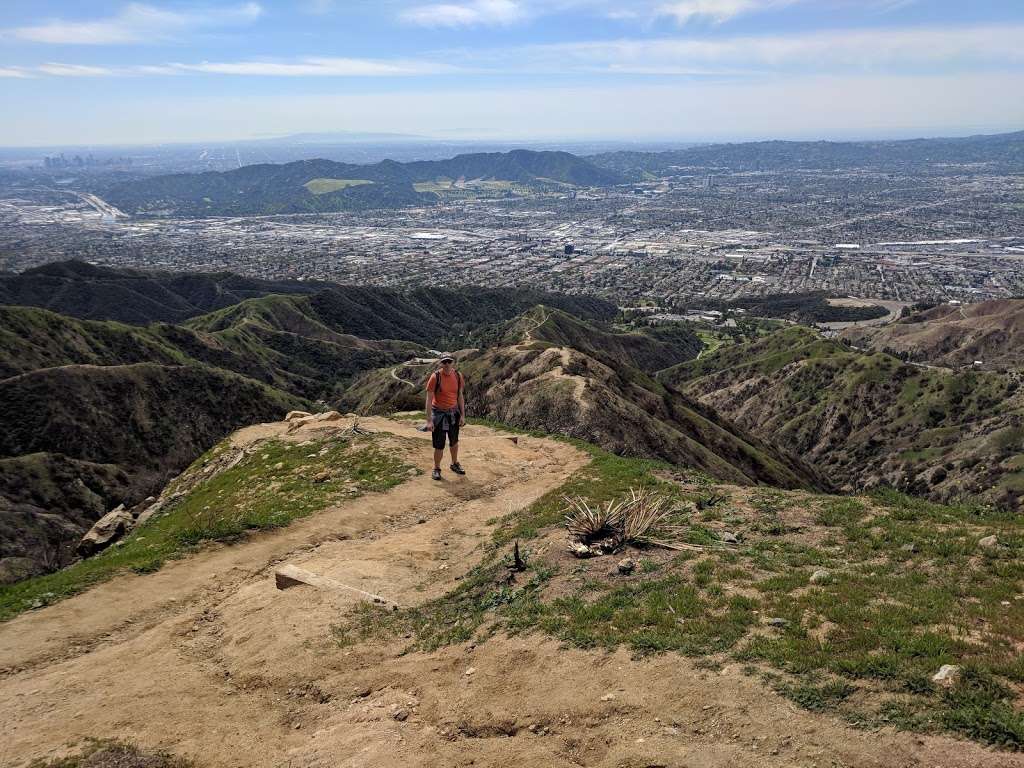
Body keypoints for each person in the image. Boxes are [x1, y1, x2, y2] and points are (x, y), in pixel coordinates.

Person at [424, 353, 466, 481]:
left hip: (453, 413)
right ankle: (436, 468)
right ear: (440, 363)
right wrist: (429, 420)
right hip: (439, 414)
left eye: (449, 361)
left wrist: (463, 415)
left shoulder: (458, 376)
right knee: (439, 445)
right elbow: (429, 399)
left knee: (454, 442)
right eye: (444, 362)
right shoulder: (435, 377)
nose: (447, 364)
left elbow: (460, 396)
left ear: (452, 362)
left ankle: (454, 463)